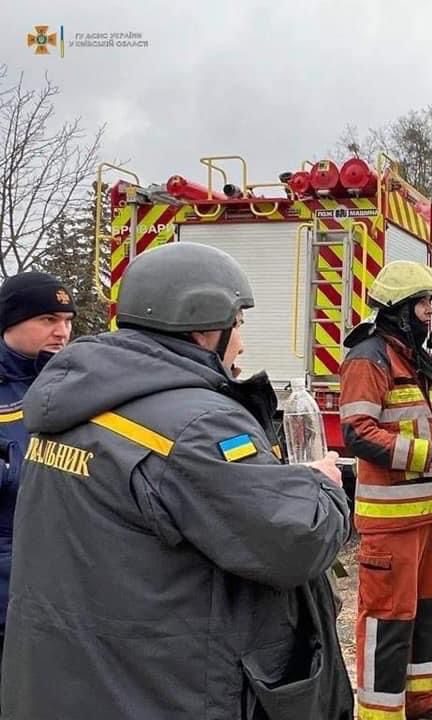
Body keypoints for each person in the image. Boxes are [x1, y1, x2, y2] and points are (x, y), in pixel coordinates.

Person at [0, 244, 353, 720]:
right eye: (238, 325)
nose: (242, 344)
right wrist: (322, 485)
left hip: (74, 685)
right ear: (205, 327)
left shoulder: (68, 405)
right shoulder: (199, 427)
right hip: (170, 691)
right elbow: (295, 541)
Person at [340, 260, 432, 720]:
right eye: (422, 303)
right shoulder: (369, 357)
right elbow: (358, 433)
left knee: (427, 611)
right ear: (398, 309)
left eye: (431, 302)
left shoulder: (412, 354)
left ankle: (421, 702)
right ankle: (380, 713)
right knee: (388, 621)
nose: (430, 312)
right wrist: (429, 454)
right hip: (391, 521)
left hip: (427, 513)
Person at [0, 271, 75, 686]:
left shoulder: (76, 384)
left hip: (60, 587)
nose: (61, 332)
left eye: (67, 321)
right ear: (9, 322)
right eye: (48, 320)